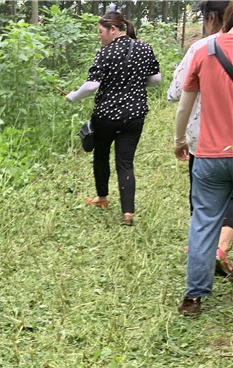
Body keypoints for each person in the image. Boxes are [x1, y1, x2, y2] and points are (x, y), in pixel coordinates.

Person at [65, 10, 161, 226]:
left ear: (113, 30)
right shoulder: (143, 47)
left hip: (107, 116)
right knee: (125, 162)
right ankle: (128, 213)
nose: (99, 36)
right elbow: (156, 79)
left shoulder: (105, 52)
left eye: (101, 32)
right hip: (135, 115)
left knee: (101, 155)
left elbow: (92, 85)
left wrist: (73, 97)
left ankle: (102, 197)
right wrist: (133, 85)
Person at [173, 2, 233, 316]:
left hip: (210, 154)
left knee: (204, 222)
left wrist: (179, 139)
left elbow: (184, 106)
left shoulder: (205, 49)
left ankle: (193, 298)